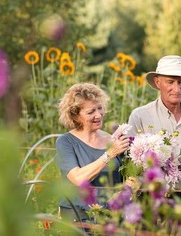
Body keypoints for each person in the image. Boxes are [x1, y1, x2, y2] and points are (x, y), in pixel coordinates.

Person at [55, 82, 130, 224]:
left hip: (111, 217)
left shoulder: (112, 139)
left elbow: (127, 177)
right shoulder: (65, 142)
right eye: (91, 112)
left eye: (100, 108)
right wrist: (109, 154)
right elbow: (78, 178)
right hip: (78, 217)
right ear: (75, 116)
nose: (98, 115)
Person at [127, 55, 181, 157]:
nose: (177, 89)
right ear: (157, 82)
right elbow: (130, 160)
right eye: (170, 82)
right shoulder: (140, 116)